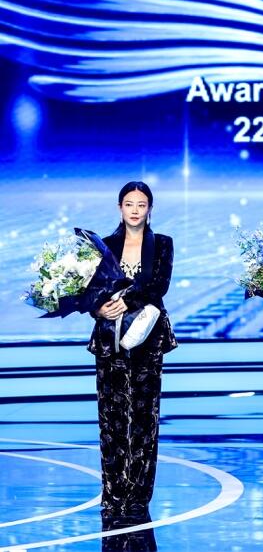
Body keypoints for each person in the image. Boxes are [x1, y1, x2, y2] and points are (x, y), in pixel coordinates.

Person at [89, 181, 177, 518]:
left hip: (147, 338)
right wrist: (98, 307)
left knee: (144, 416)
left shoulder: (163, 244)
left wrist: (126, 301)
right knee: (111, 416)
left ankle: (139, 494)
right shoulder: (104, 245)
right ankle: (113, 491)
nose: (135, 210)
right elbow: (90, 289)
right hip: (109, 338)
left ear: (150, 208)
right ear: (120, 208)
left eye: (141, 204)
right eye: (129, 204)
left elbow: (159, 286)